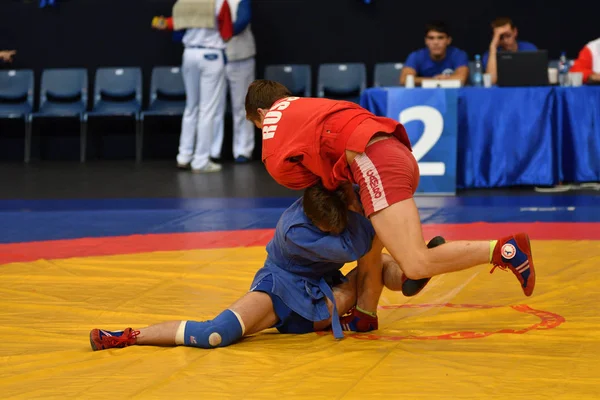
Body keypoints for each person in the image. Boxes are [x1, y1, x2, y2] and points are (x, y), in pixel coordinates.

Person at [244, 80, 536, 309]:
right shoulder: (310, 106)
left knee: (417, 263)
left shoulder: (272, 123)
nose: (262, 130)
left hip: (372, 161)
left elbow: (303, 184)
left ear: (260, 114)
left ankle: (505, 250)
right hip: (395, 153)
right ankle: (365, 313)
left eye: (257, 126)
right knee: (372, 245)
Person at [89, 185, 444, 351]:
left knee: (375, 267)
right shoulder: (294, 232)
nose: (335, 231)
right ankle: (130, 336)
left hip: (326, 292)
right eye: (328, 229)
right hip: (283, 288)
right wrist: (379, 221)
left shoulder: (334, 210)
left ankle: (414, 271)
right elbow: (359, 244)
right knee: (215, 334)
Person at [152, 0, 238, 173]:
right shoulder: (220, 3)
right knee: (207, 110)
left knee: (191, 107)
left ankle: (183, 156)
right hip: (211, 54)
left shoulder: (183, 2)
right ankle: (200, 161)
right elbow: (227, 33)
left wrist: (159, 22)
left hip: (189, 53)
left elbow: (171, 23)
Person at [211, 0, 257, 163]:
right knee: (214, 107)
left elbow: (243, 20)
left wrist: (220, 31)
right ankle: (213, 150)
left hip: (240, 57)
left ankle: (243, 150)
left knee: (242, 106)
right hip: (214, 58)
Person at [399, 21, 469, 87]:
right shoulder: (416, 56)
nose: (436, 42)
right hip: (425, 97)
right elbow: (404, 79)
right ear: (426, 41)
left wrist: (425, 81)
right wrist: (436, 80)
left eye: (440, 38)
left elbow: (462, 78)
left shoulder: (458, 55)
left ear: (448, 40)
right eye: (431, 38)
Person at [483, 17, 537, 85]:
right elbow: (491, 81)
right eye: (500, 37)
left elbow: (537, 77)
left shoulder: (529, 48)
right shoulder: (490, 54)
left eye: (508, 36)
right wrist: (493, 47)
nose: (505, 41)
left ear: (515, 32)